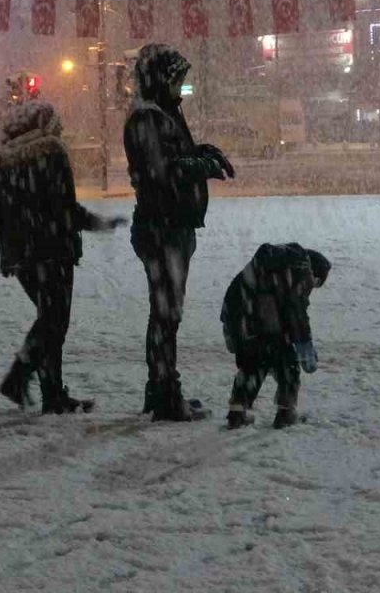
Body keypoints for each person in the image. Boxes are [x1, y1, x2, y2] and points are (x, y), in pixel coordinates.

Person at [0, 101, 125, 414]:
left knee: (49, 321)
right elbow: (64, 208)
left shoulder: (8, 159)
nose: (60, 128)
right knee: (53, 323)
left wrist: (8, 252)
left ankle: (51, 394)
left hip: (24, 256)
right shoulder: (52, 152)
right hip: (52, 250)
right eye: (56, 122)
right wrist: (97, 223)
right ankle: (21, 378)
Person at [124, 43, 235, 422]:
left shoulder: (163, 114)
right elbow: (161, 172)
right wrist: (198, 165)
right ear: (160, 80)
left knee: (168, 313)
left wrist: (202, 152)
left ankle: (162, 390)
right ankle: (165, 394)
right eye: (176, 81)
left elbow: (174, 158)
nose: (181, 88)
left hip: (171, 226)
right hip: (161, 229)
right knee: (166, 314)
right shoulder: (146, 119)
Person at [221, 244, 330, 430]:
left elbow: (234, 293)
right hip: (268, 325)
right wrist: (305, 347)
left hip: (244, 319)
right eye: (317, 283)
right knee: (288, 364)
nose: (313, 288)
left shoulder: (264, 265)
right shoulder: (300, 271)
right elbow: (297, 314)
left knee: (251, 364)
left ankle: (236, 413)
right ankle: (286, 412)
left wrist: (231, 331)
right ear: (315, 273)